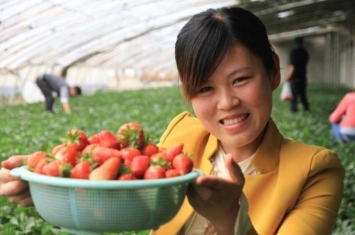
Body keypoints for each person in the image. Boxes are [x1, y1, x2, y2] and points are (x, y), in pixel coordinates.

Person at [0, 6, 344, 235]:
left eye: (240, 80)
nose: (227, 102)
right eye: (205, 88)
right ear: (187, 93)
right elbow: (126, 205)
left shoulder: (314, 170)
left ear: (272, 70)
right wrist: (52, 191)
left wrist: (228, 217)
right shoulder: (184, 133)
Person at [283, 37, 310, 113]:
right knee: (303, 95)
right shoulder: (305, 52)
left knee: (293, 97)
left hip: (294, 78)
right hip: (303, 76)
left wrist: (288, 77)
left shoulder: (293, 51)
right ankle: (306, 109)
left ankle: (293, 111)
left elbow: (293, 66)